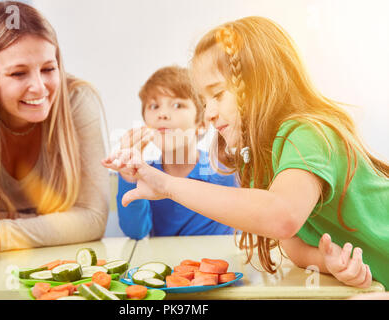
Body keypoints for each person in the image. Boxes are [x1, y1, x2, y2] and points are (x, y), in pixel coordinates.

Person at [104, 17, 389, 289]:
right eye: (205, 102)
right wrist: (327, 261)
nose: (211, 113)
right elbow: (294, 246)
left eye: (217, 95)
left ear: (260, 84)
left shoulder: (307, 132)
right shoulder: (261, 162)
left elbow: (282, 217)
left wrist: (167, 186)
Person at [0, 1, 109, 264]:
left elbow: (93, 218)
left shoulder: (76, 99)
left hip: (58, 265)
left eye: (49, 69)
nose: (39, 88)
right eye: (18, 73)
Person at [103, 66, 237, 239]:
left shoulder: (225, 172)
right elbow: (136, 232)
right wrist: (130, 178)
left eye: (177, 105)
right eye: (154, 106)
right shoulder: (144, 175)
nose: (163, 114)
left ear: (202, 123)